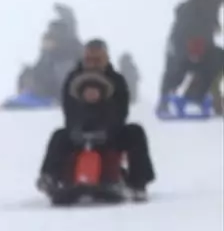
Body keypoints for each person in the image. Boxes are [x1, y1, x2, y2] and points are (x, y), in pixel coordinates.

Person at [37, 39, 156, 200]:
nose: (92, 64)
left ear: (106, 59)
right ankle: (50, 177)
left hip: (110, 133)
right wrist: (76, 130)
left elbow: (121, 111)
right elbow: (69, 110)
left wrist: (108, 130)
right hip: (78, 132)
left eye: (97, 60)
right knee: (59, 136)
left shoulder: (117, 81)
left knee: (135, 132)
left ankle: (138, 182)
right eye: (89, 60)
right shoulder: (73, 79)